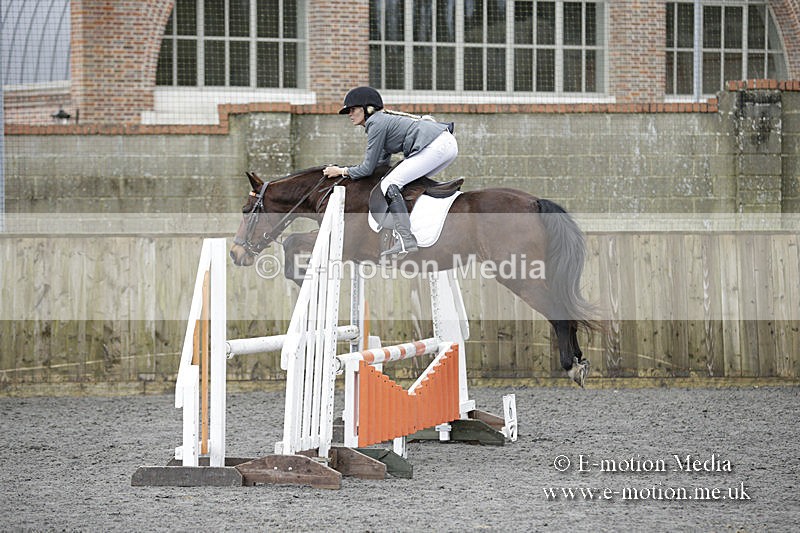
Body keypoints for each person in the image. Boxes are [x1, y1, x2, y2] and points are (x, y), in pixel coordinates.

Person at [323, 86, 458, 257]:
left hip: (436, 146)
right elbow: (380, 164)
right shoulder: (382, 121)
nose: (350, 114)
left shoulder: (375, 123)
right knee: (403, 183)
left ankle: (405, 238)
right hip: (445, 145)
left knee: (390, 184)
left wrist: (341, 171)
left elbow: (367, 168)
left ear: (368, 109)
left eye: (353, 109)